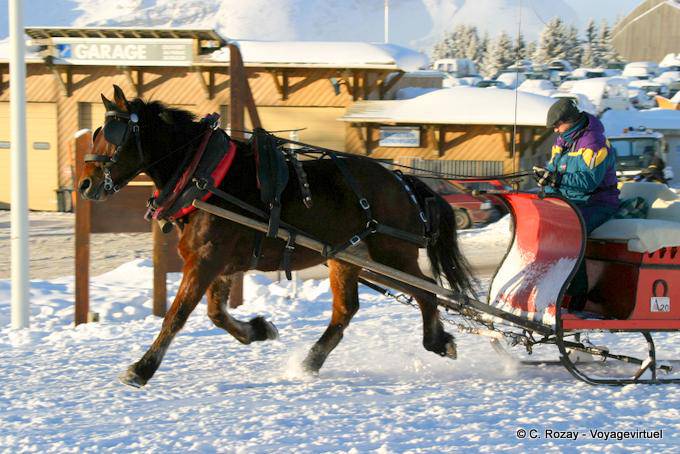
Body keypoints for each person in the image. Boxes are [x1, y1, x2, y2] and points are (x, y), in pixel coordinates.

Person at [534, 98, 620, 314]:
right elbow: (554, 171)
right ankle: (548, 289)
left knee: (573, 232)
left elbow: (588, 183)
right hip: (572, 202)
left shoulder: (594, 143)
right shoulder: (562, 141)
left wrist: (556, 180)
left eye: (557, 125)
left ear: (570, 121)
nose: (555, 130)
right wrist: (547, 185)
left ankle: (580, 299)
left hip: (597, 203)